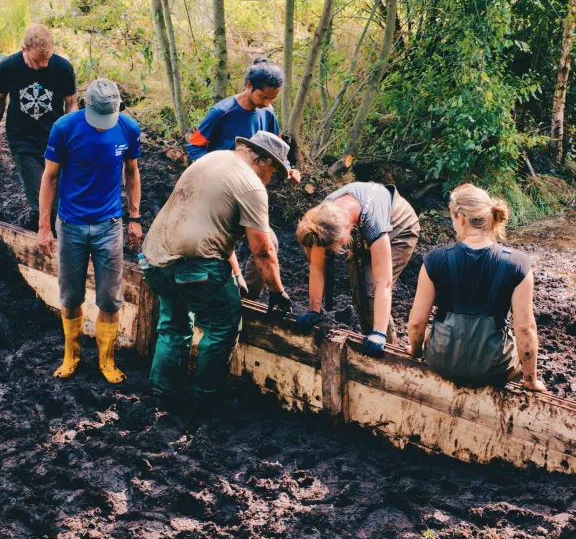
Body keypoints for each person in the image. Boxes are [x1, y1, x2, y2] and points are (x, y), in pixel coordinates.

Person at [141, 131, 293, 408]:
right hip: (194, 267)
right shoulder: (251, 186)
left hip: (155, 259)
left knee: (174, 328)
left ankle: (163, 394)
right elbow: (262, 249)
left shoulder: (214, 160)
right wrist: (277, 291)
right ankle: (205, 398)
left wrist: (236, 273)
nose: (272, 180)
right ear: (261, 160)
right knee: (223, 326)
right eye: (274, 171)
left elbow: (217, 227)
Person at [37, 79, 142, 384]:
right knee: (70, 296)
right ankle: (71, 354)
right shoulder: (64, 128)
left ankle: (106, 360)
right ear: (85, 105)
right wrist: (45, 227)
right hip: (71, 225)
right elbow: (50, 177)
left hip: (109, 226)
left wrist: (135, 217)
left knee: (110, 299)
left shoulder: (128, 128)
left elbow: (132, 173)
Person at [406, 184, 546, 391]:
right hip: (495, 367)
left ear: (460, 218)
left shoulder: (434, 260)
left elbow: (417, 323)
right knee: (514, 355)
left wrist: (415, 351)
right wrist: (530, 380)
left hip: (441, 360)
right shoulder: (518, 264)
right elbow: (525, 328)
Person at [186, 57, 301, 300]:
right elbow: (195, 146)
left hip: (252, 192)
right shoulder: (222, 112)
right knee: (225, 247)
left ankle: (246, 299)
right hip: (222, 193)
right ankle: (221, 295)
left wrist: (288, 168)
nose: (267, 104)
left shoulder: (267, 112)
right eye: (263, 97)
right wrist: (215, 170)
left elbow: (277, 146)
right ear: (249, 86)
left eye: (272, 99)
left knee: (268, 244)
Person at [295, 182, 420, 356]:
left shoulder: (373, 223)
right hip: (361, 224)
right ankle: (367, 339)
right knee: (358, 288)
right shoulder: (322, 220)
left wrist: (379, 333)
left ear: (346, 231)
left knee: (372, 291)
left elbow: (384, 282)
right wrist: (313, 309)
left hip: (399, 226)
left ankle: (389, 351)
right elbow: (317, 267)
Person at [0, 24, 78, 230]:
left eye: (48, 58)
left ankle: (33, 224)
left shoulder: (63, 68)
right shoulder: (9, 67)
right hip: (22, 138)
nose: (45, 64)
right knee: (41, 199)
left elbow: (71, 103)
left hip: (55, 138)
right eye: (39, 60)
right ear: (24, 50)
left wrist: (71, 135)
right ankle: (34, 227)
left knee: (58, 199)